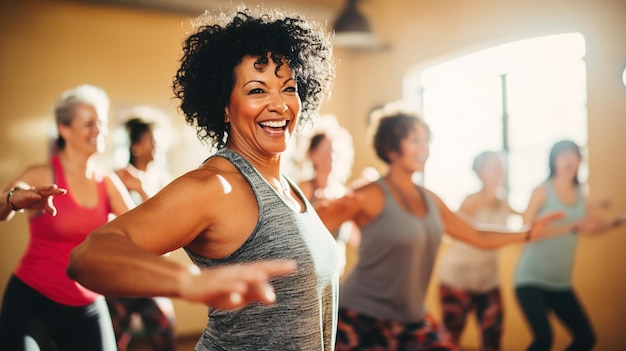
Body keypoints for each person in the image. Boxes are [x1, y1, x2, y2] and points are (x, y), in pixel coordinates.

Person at [67, 6, 338, 350]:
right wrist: (188, 282)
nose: (279, 105)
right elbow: (88, 256)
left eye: (288, 88)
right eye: (257, 91)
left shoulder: (288, 188)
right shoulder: (217, 186)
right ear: (223, 107)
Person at [314, 103, 565, 351]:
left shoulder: (430, 200)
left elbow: (476, 234)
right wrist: (318, 211)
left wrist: (528, 233)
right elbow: (311, 231)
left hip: (412, 318)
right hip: (361, 316)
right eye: (415, 140)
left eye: (426, 140)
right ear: (391, 149)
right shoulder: (369, 195)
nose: (424, 148)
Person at [0, 84, 130, 351]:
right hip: (31, 299)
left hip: (87, 303)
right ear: (64, 129)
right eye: (89, 124)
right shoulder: (42, 174)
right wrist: (14, 199)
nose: (99, 131)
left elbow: (150, 229)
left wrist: (140, 187)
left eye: (102, 123)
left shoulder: (107, 181)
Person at [515, 139, 626, 351]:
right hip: (530, 279)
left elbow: (590, 228)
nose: (569, 159)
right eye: (563, 155)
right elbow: (526, 232)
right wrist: (572, 225)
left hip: (560, 283)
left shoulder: (579, 196)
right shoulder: (542, 191)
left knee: (586, 339)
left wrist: (618, 220)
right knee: (544, 339)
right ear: (553, 161)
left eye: (573, 154)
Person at [107, 117, 177, 351]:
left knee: (164, 335)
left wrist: (142, 189)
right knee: (115, 340)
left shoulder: (161, 179)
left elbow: (167, 222)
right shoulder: (118, 178)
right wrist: (136, 188)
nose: (156, 147)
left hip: (152, 275)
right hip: (121, 277)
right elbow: (129, 224)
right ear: (135, 146)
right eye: (151, 141)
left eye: (158, 142)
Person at [437, 150, 518, 351]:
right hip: (457, 279)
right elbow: (450, 229)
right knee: (450, 338)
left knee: (493, 338)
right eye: (493, 166)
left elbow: (527, 222)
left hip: (488, 281)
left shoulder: (504, 203)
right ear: (480, 172)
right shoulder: (471, 201)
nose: (500, 170)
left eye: (500, 165)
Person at [297, 115, 359, 275]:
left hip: (336, 276)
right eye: (325, 149)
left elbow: (356, 238)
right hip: (309, 273)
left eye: (334, 150)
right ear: (313, 154)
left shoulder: (343, 193)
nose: (330, 155)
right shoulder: (304, 189)